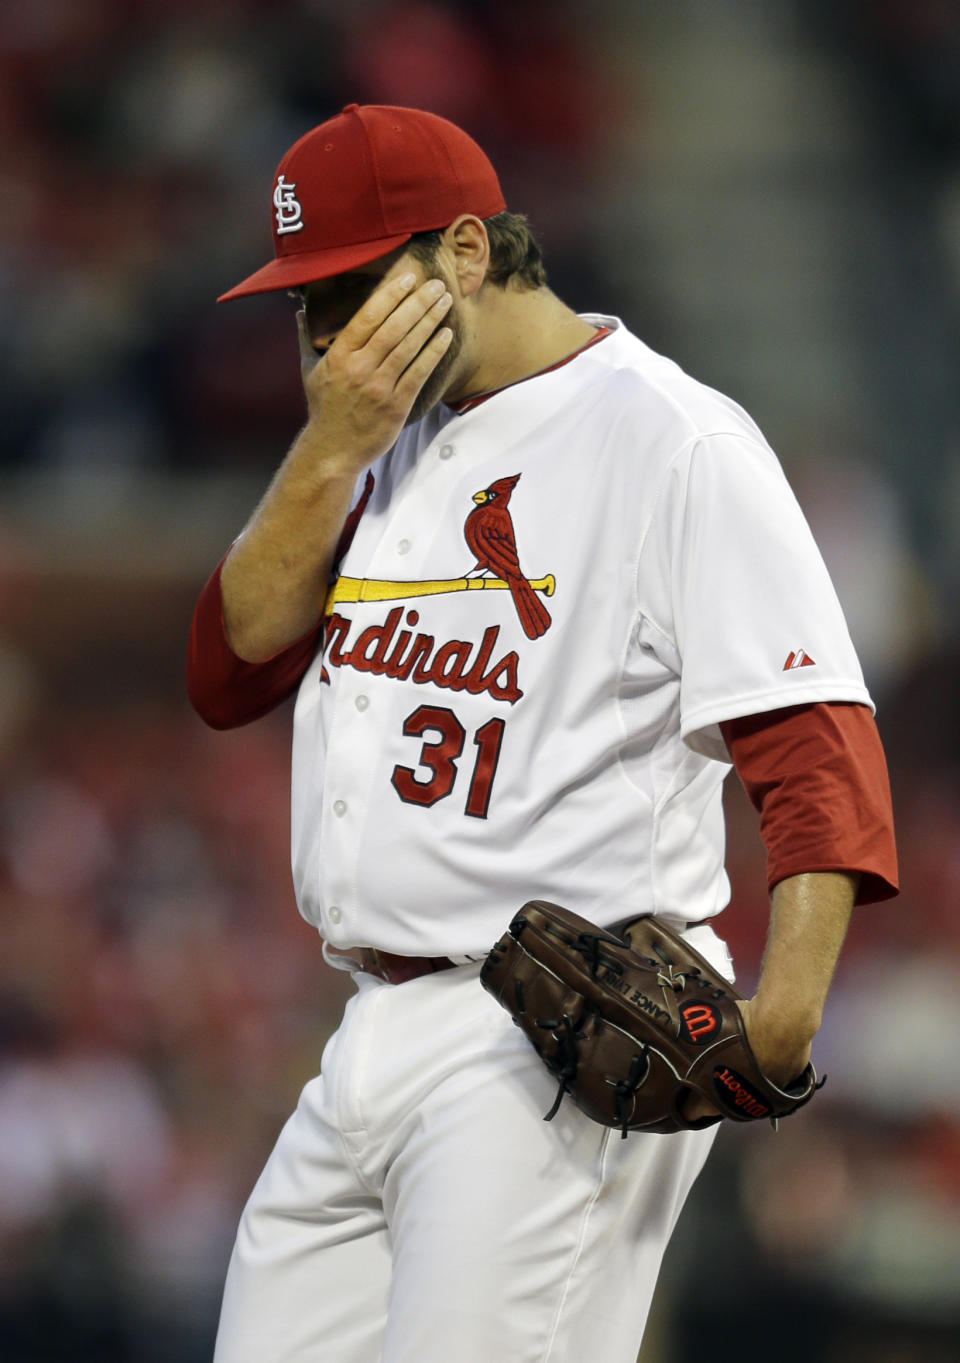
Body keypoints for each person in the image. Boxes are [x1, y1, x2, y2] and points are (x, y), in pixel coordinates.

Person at [187, 103, 898, 1363]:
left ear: (467, 252)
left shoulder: (670, 436)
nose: (324, 338)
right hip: (363, 1028)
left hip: (546, 1037)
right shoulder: (377, 443)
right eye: (305, 304)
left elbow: (811, 741)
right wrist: (330, 449)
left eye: (349, 291)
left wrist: (780, 1022)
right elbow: (228, 667)